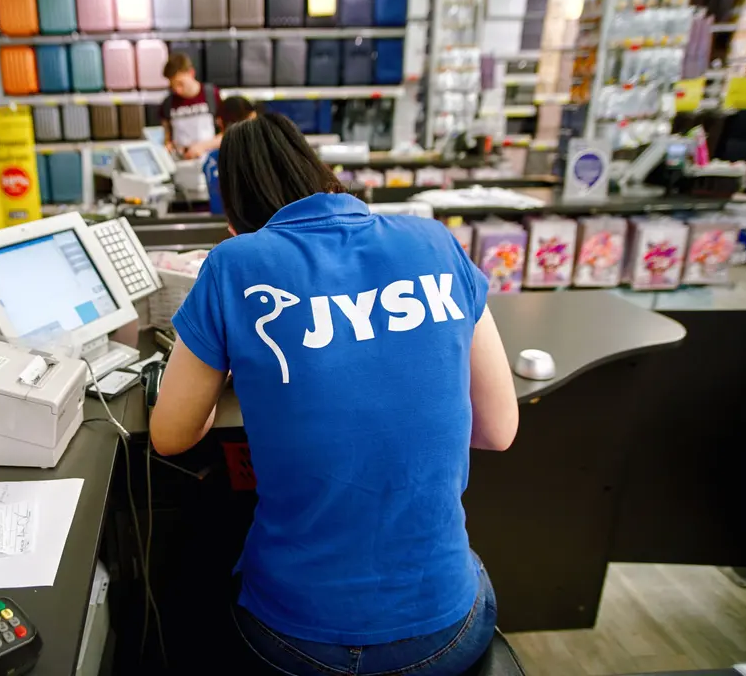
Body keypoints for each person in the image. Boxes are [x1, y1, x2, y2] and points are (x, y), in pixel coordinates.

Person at [149, 113, 519, 675]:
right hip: (446, 629)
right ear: (318, 171)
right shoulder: (436, 243)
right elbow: (497, 430)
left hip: (296, 635)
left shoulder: (235, 264)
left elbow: (170, 435)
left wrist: (234, 367)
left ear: (234, 214)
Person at [159, 52, 223, 160]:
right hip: (181, 163)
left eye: (180, 83)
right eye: (173, 86)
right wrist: (168, 146)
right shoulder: (168, 103)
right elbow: (167, 138)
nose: (177, 90)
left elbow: (227, 134)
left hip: (210, 161)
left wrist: (202, 146)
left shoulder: (212, 95)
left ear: (191, 73)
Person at [203, 96, 258, 216]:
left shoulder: (211, 159)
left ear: (220, 121)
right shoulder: (256, 155)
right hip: (250, 226)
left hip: (220, 223)